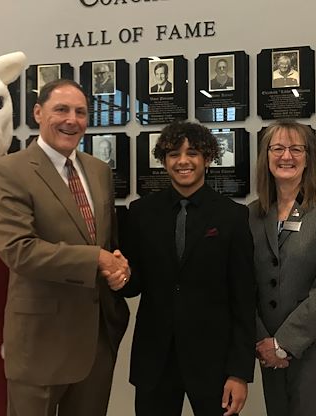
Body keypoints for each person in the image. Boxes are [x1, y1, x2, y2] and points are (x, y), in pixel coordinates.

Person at [0, 79, 130, 416]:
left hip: (95, 339)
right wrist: (96, 258)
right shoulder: (10, 170)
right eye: (61, 109)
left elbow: (103, 241)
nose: (72, 119)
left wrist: (117, 264)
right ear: (38, 112)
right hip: (40, 340)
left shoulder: (97, 171)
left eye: (81, 112)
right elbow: (18, 249)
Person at [119, 121, 256, 416]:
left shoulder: (232, 216)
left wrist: (239, 372)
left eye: (192, 153)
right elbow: (133, 285)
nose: (182, 161)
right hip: (155, 360)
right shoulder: (141, 213)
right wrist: (119, 275)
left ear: (207, 158)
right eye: (173, 154)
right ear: (164, 161)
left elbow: (244, 299)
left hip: (214, 363)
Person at [250, 120, 316, 416]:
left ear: (308, 157)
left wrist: (284, 343)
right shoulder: (253, 214)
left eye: (297, 149)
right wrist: (264, 342)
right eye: (278, 148)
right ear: (266, 156)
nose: (287, 156)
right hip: (268, 347)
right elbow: (247, 284)